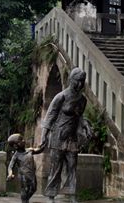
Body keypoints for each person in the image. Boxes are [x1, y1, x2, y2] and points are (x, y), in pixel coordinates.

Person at [35, 67, 87, 201]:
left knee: (72, 167)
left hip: (72, 137)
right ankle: (51, 195)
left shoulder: (82, 100)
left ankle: (72, 195)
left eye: (82, 81)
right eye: (77, 81)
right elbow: (50, 117)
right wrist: (44, 136)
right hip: (58, 136)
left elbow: (80, 117)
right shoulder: (61, 97)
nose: (80, 84)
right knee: (56, 167)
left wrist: (85, 125)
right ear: (71, 80)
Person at [7, 133, 41, 203]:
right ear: (15, 146)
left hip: (32, 174)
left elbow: (39, 150)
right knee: (24, 190)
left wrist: (43, 144)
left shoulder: (29, 150)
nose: (23, 141)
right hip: (23, 176)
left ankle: (26, 200)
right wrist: (10, 174)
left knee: (33, 188)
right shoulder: (16, 156)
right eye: (21, 140)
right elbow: (10, 166)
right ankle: (24, 201)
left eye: (23, 139)